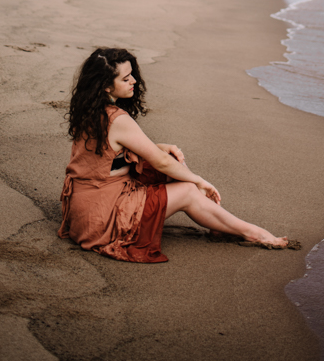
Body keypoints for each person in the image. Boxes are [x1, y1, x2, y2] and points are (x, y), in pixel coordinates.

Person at [58, 47, 298, 262]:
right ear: (106, 86)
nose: (133, 81)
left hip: (83, 216)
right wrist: (198, 180)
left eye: (132, 74)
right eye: (125, 78)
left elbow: (113, 152)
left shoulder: (89, 109)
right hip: (102, 222)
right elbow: (159, 161)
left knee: (171, 163)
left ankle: (221, 224)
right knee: (187, 190)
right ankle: (253, 233)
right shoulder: (117, 119)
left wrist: (162, 146)